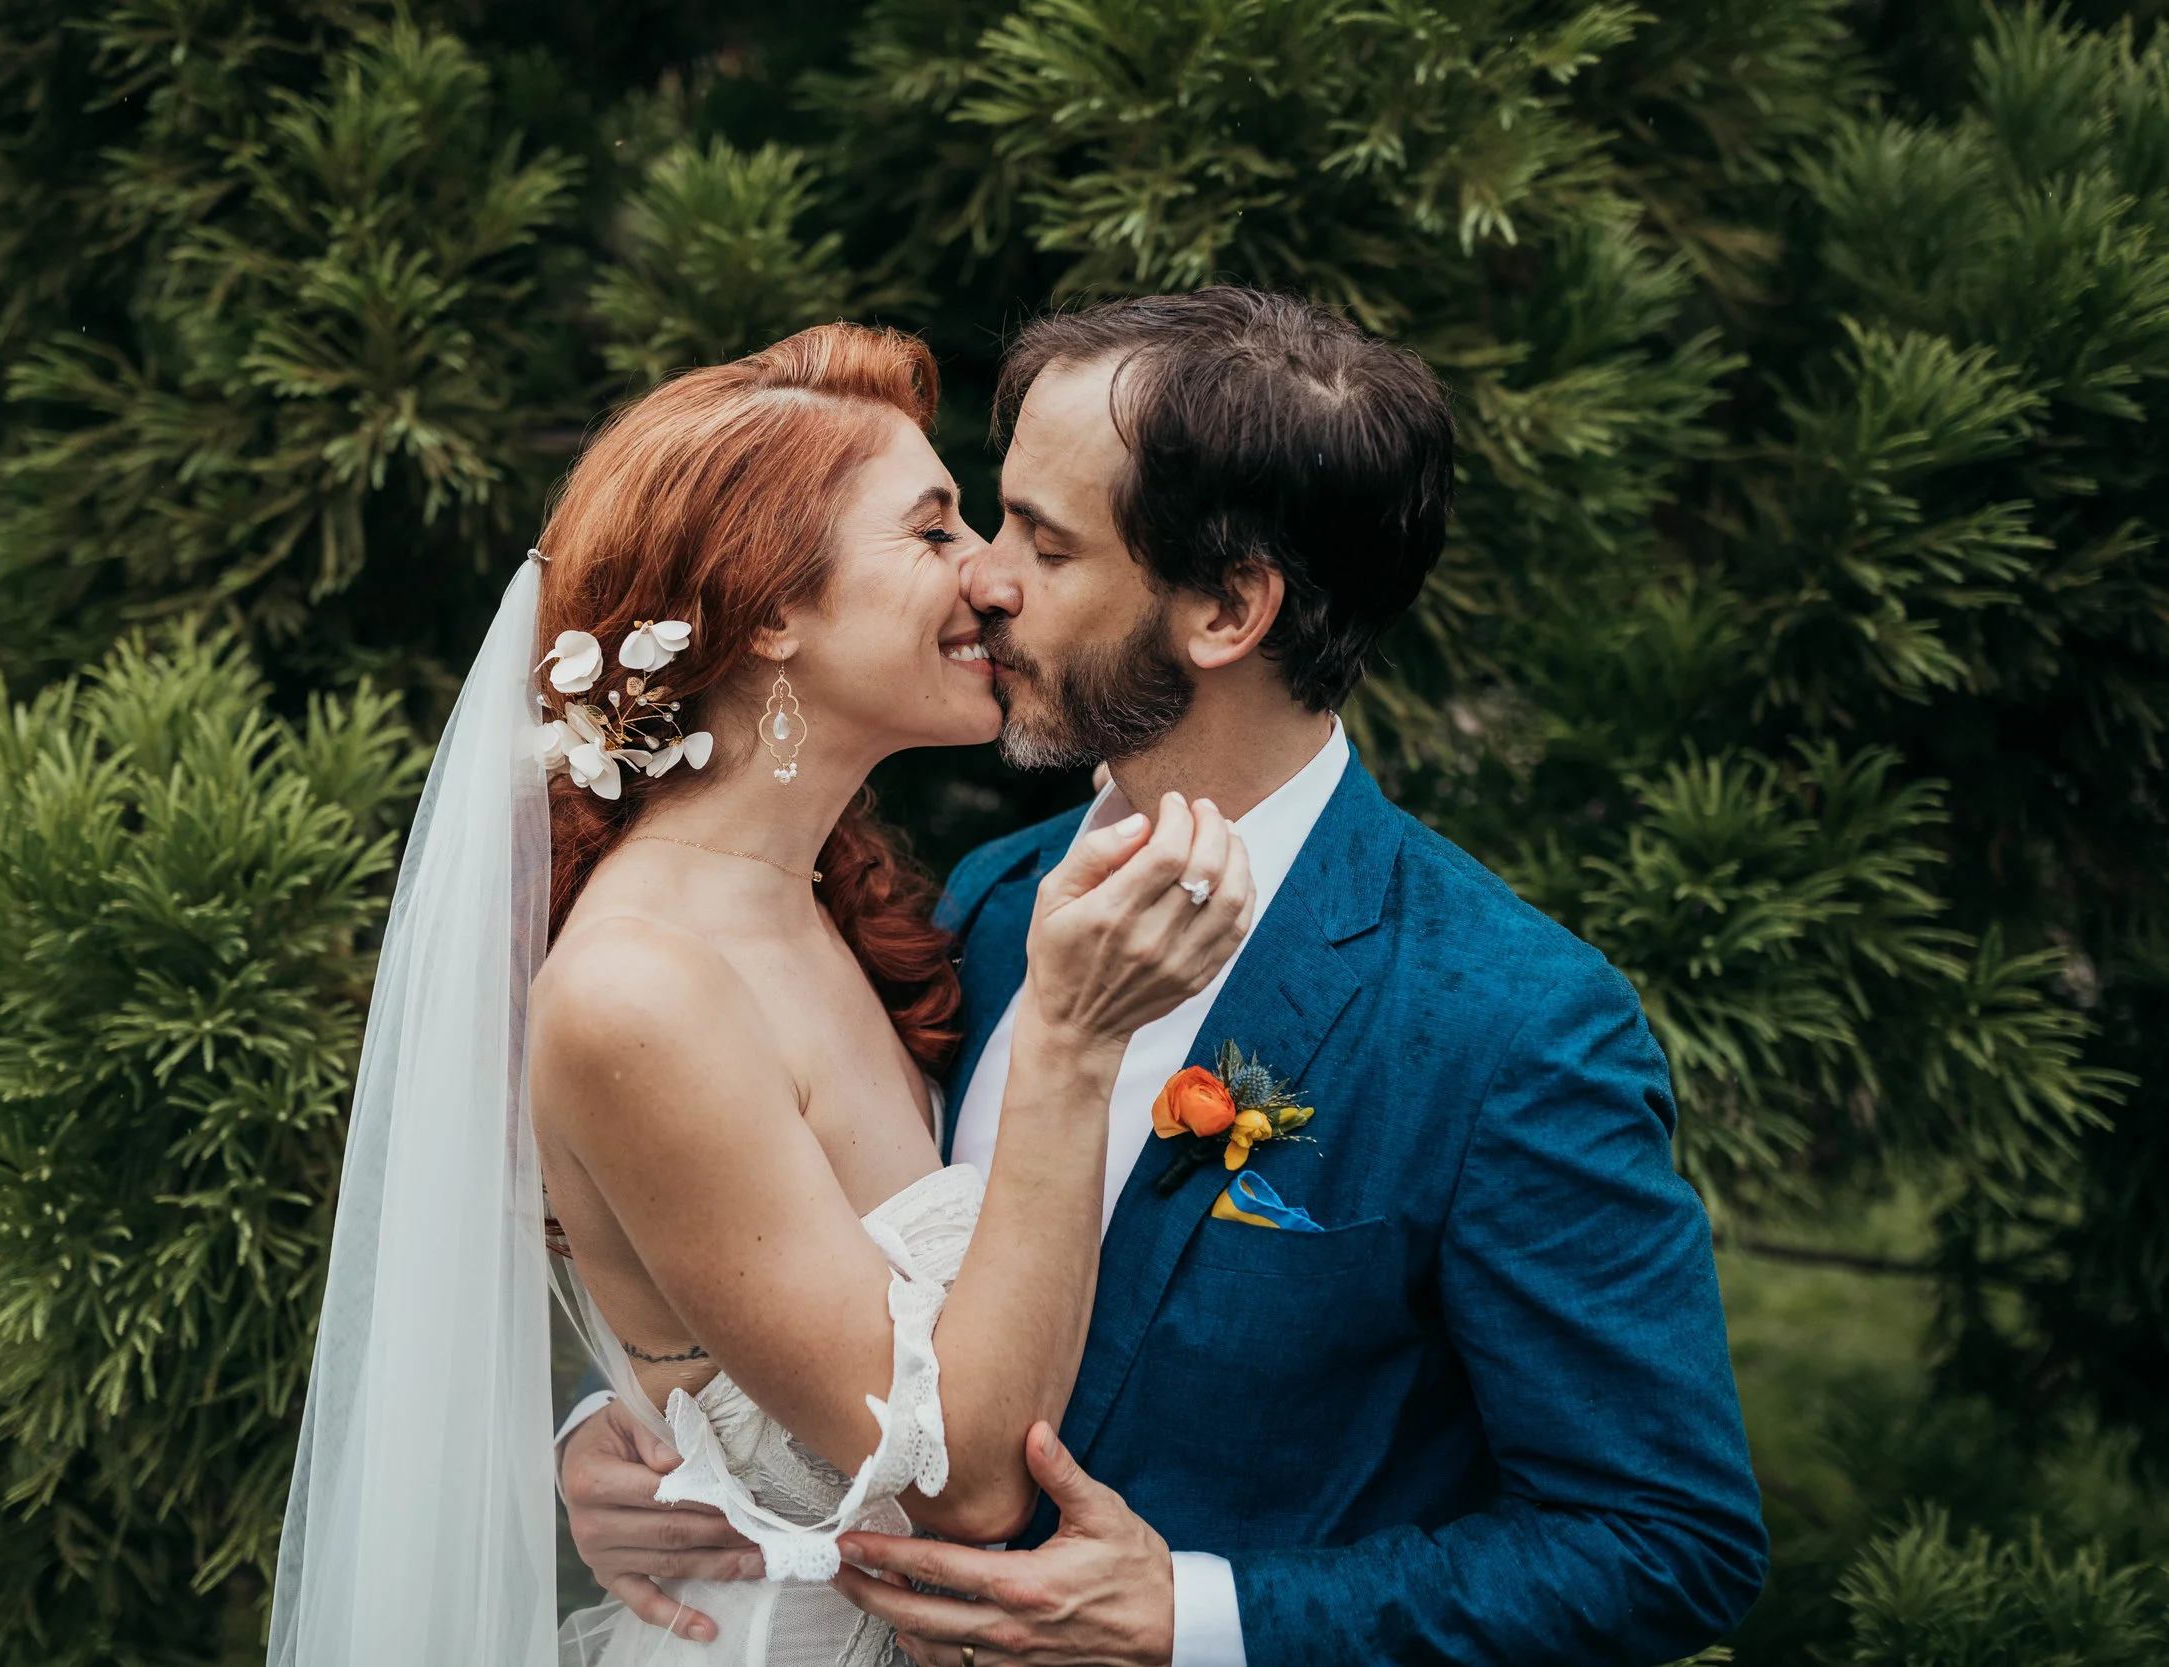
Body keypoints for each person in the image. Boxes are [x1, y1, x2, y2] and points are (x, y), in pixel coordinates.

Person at [559, 288, 1770, 1667]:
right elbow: (811, 1256)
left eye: (1046, 543)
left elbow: (1665, 1538)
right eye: (988, 521)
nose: (986, 579)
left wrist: (1200, 1616)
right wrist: (655, 1430)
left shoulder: (1510, 1026)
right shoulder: (992, 905)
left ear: (1229, 609)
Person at [266, 322, 1254, 1667]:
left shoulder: (849, 909)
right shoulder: (639, 989)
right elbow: (961, 1482)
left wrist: (633, 1422)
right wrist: (1073, 1046)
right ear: (771, 611)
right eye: (934, 530)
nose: (988, 574)